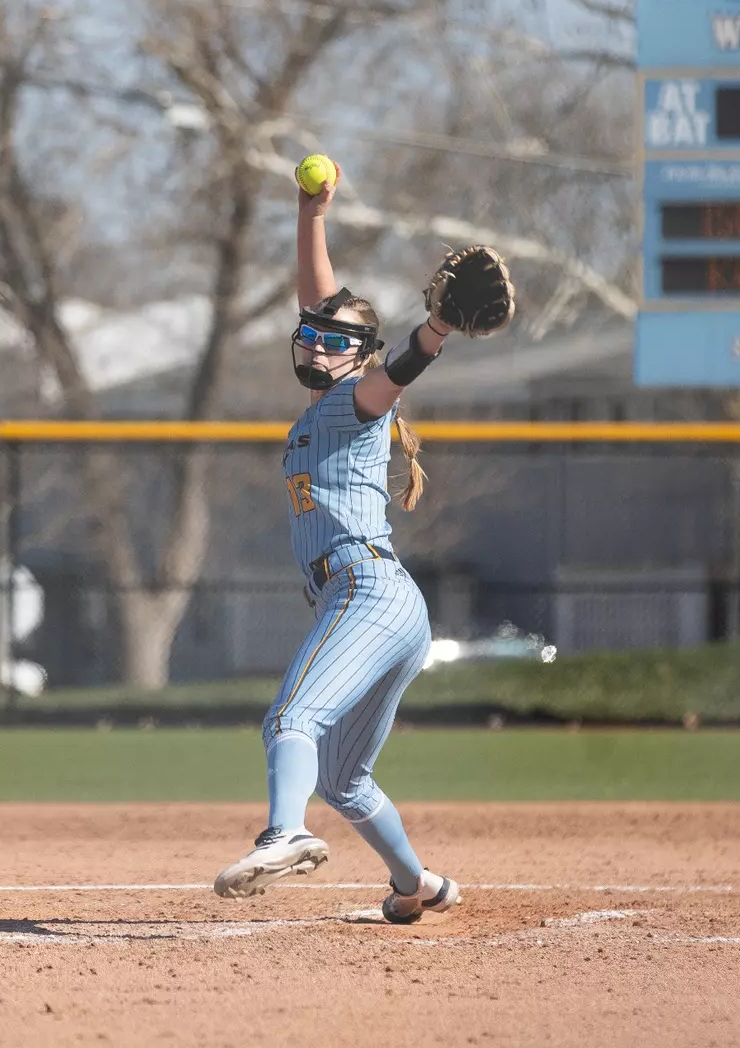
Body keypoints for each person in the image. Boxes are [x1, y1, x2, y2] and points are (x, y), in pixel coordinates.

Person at [212, 163, 465, 924]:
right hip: (384, 603)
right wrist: (311, 214)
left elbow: (398, 369)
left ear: (359, 355)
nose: (318, 348)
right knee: (345, 779)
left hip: (367, 590)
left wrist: (437, 329)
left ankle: (284, 834)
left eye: (335, 343)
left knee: (290, 720)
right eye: (312, 338)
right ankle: (417, 886)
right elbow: (322, 305)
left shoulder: (359, 398)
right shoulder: (331, 393)